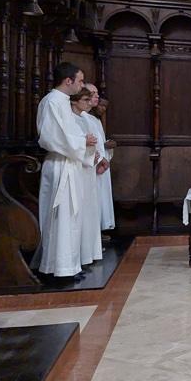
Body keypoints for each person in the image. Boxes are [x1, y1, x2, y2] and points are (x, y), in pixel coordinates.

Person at [32, 62, 97, 280]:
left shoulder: (62, 102)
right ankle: (57, 268)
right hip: (61, 164)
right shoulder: (52, 102)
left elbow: (67, 134)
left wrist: (83, 141)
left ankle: (68, 266)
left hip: (70, 163)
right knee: (61, 218)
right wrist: (82, 141)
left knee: (71, 217)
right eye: (79, 80)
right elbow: (51, 137)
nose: (81, 85)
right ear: (68, 81)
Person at [69, 88, 104, 266]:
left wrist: (95, 155)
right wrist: (88, 151)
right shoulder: (70, 119)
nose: (90, 102)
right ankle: (78, 257)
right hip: (77, 169)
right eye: (85, 99)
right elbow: (69, 142)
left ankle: (87, 253)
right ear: (74, 101)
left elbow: (93, 142)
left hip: (87, 168)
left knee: (89, 212)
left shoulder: (85, 119)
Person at [85, 84, 116, 231]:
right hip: (91, 164)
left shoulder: (95, 119)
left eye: (97, 93)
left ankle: (98, 231)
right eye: (93, 93)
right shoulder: (83, 117)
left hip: (100, 164)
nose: (96, 96)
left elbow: (97, 142)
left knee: (101, 199)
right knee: (93, 200)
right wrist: (98, 157)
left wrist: (105, 147)